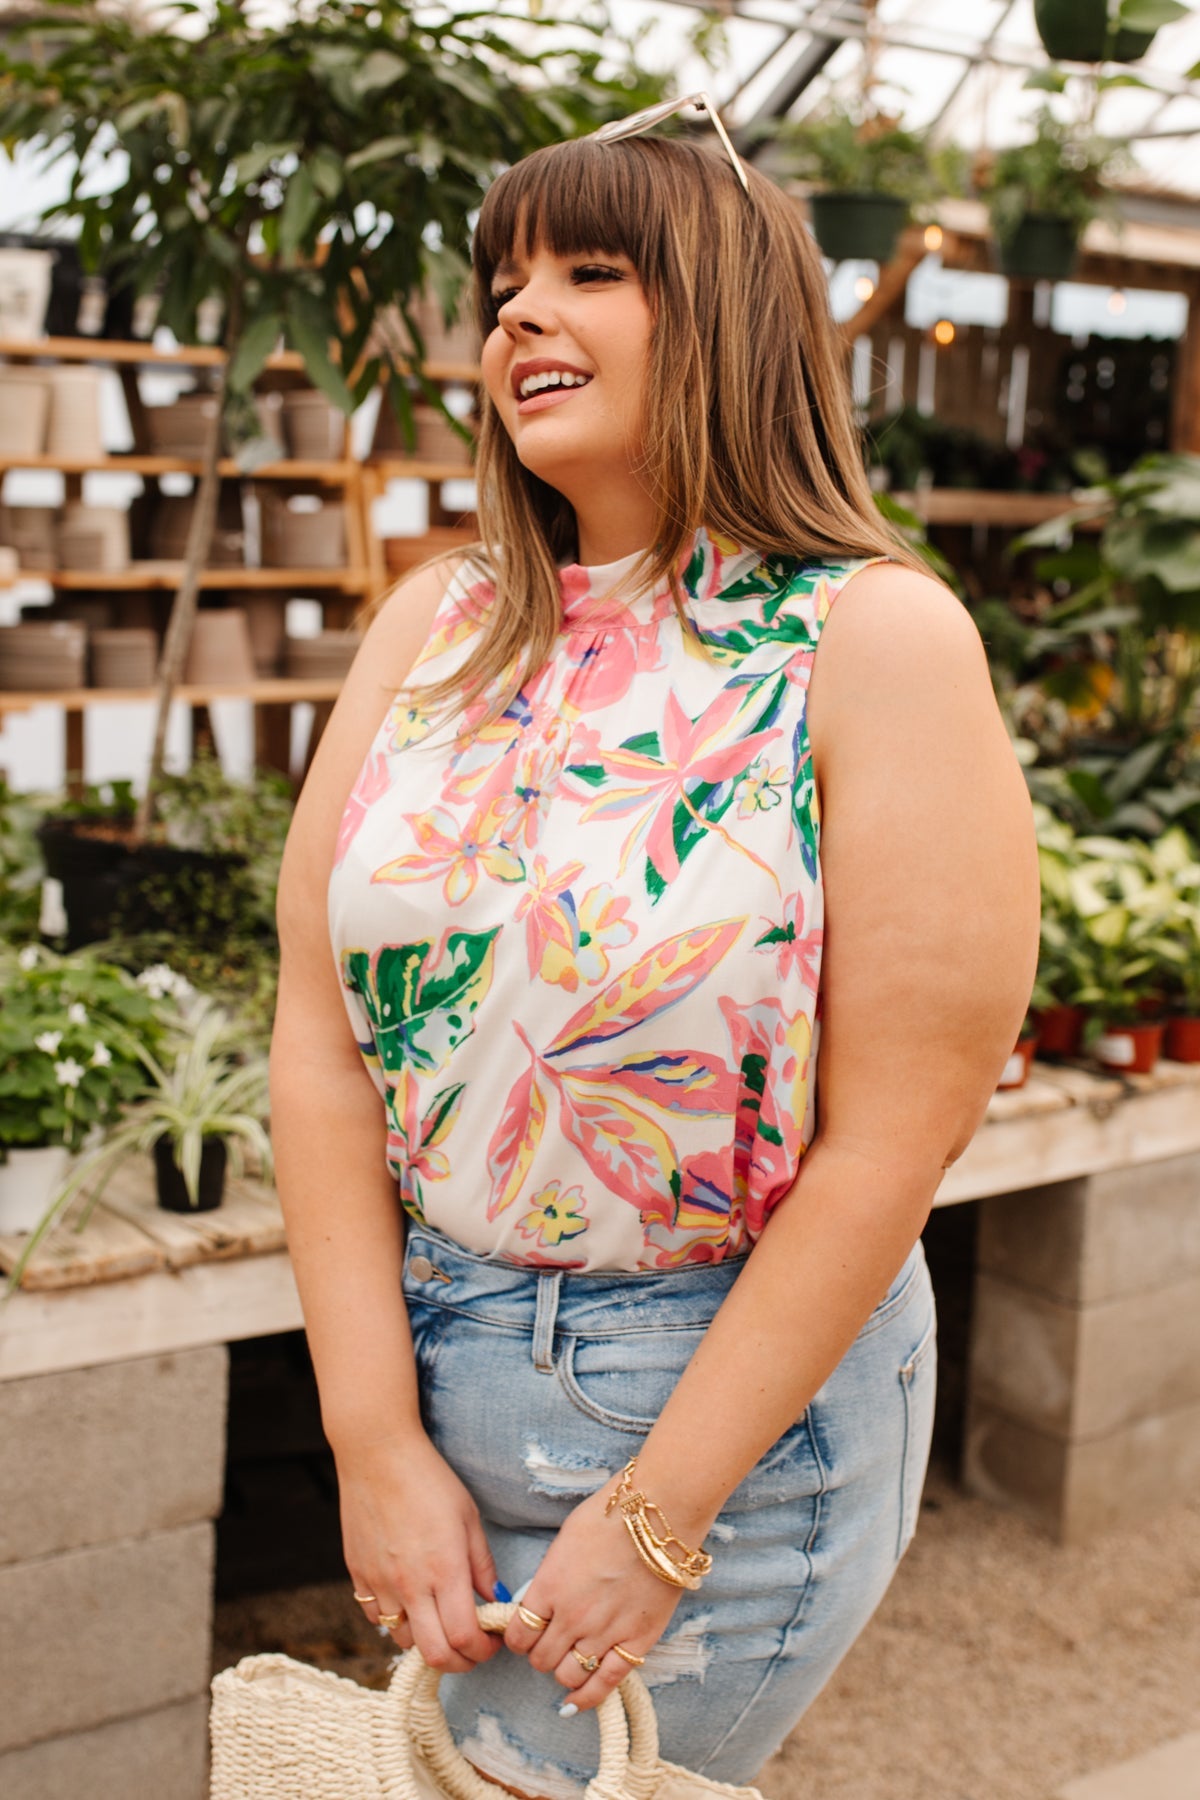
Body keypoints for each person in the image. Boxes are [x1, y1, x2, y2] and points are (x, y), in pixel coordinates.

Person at [270, 112, 1039, 1797]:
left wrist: (654, 1517)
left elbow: (897, 1143)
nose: (520, 316)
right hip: (438, 1345)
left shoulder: (871, 637)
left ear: (726, 316)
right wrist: (370, 1440)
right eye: (505, 284)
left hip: (725, 1406)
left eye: (591, 273)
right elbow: (321, 1049)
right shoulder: (435, 625)